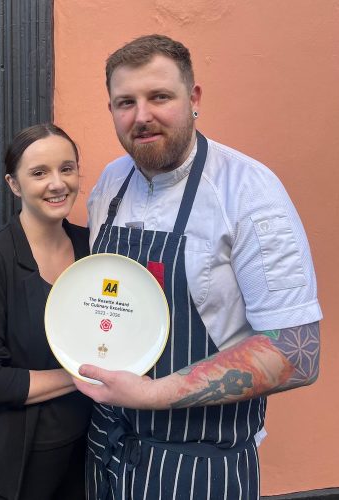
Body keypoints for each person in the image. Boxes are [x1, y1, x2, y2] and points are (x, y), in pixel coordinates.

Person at [73, 34, 322, 500]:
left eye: (159, 97)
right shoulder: (111, 183)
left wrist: (153, 394)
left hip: (201, 469)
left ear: (194, 99)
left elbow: (297, 353)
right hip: (106, 454)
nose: (141, 116)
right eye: (125, 102)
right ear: (111, 110)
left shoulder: (248, 192)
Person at [0, 123, 92, 500]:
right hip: (13, 470)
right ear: (14, 184)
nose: (57, 183)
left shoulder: (92, 249)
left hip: (85, 460)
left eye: (67, 168)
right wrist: (83, 378)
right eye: (39, 173)